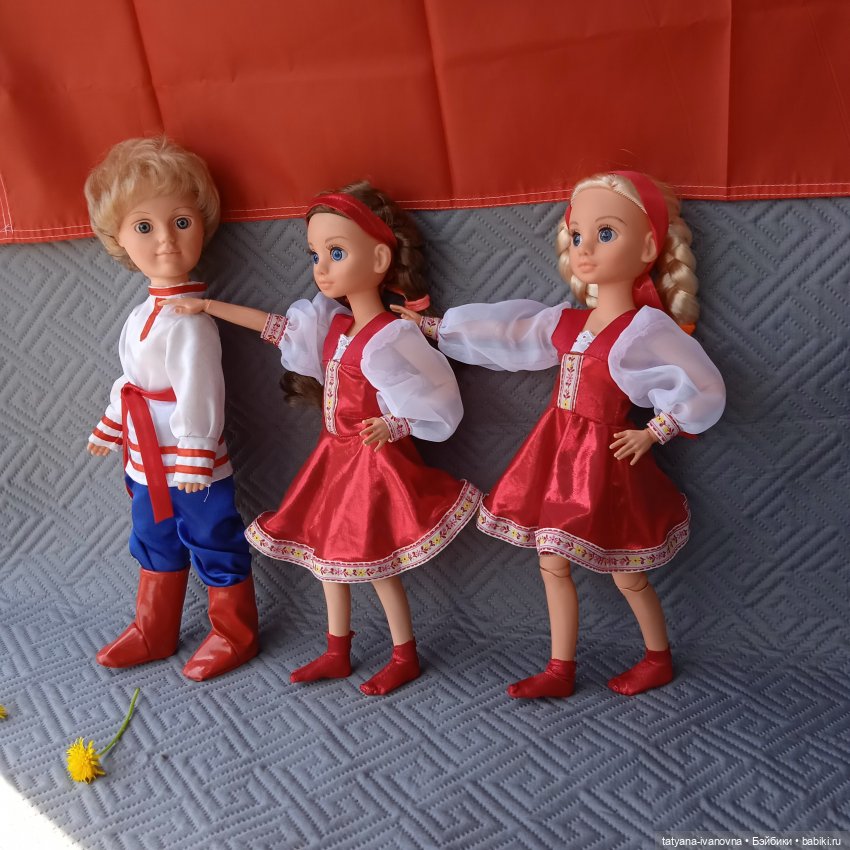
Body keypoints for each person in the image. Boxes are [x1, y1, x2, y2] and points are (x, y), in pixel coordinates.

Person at [394, 171, 725, 698]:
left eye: (605, 233)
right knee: (550, 561)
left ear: (648, 247)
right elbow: (509, 333)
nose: (585, 247)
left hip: (608, 459)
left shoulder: (645, 329)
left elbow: (704, 384)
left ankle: (657, 657)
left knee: (626, 570)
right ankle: (559, 668)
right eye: (577, 235)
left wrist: (655, 430)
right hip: (556, 453)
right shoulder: (569, 324)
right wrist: (436, 328)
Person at [173, 181, 481, 695]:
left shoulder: (392, 335)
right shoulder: (333, 326)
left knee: (376, 564)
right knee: (327, 561)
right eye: (315, 254)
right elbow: (275, 328)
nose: (321, 267)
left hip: (373, 465)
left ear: (380, 258)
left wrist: (395, 423)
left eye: (336, 253)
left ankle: (404, 653)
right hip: (333, 459)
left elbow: (438, 394)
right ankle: (337, 649)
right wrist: (208, 308)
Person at [85, 136, 259, 681]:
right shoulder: (140, 315)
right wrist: (112, 423)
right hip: (146, 457)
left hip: (189, 462)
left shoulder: (191, 320)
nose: (165, 239)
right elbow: (131, 382)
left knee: (213, 536)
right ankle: (153, 628)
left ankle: (234, 633)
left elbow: (201, 389)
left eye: (181, 222)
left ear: (202, 226)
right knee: (154, 536)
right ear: (118, 238)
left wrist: (196, 451)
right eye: (144, 226)